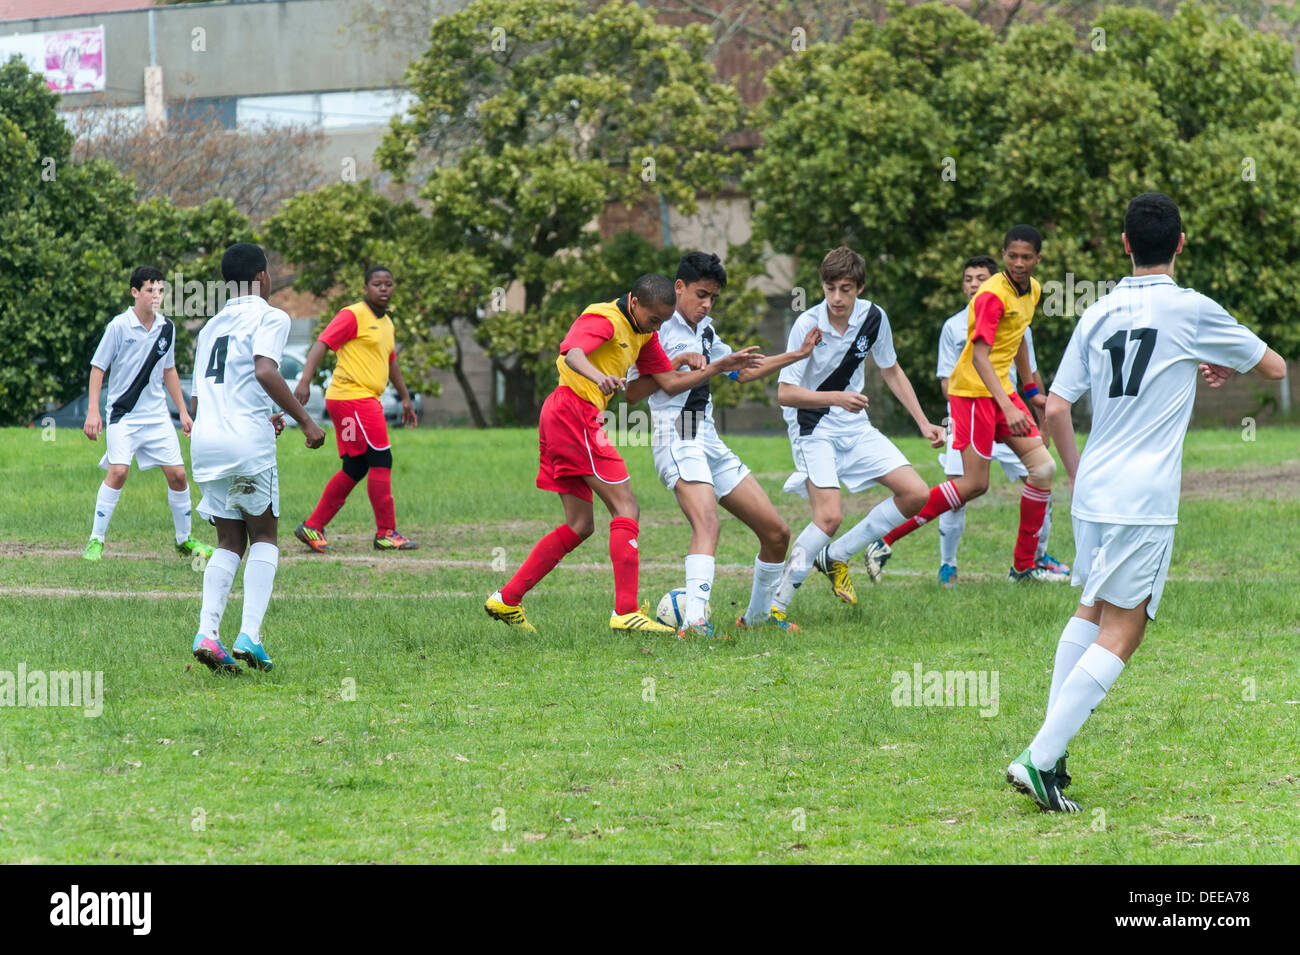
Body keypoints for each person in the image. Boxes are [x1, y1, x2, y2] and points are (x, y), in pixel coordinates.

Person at [1007, 192, 1285, 811]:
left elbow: (1054, 406)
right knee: (1125, 628)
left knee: (1090, 610)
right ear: (1180, 244)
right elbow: (1275, 367)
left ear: (1126, 245)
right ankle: (1039, 755)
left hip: (1096, 490)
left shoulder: (1098, 311)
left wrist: (1077, 474)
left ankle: (1051, 752)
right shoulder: (1191, 308)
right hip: (1144, 499)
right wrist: (1223, 361)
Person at [485, 274, 747, 635]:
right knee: (626, 507)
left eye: (662, 322)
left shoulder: (645, 332)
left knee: (580, 525)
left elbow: (666, 383)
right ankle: (624, 611)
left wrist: (686, 360)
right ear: (635, 303)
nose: (656, 328)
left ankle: (507, 598)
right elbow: (571, 351)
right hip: (573, 412)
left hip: (567, 415)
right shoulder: (604, 318)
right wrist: (598, 376)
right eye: (654, 319)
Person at [624, 251, 820, 639]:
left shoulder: (708, 332)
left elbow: (741, 372)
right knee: (707, 522)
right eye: (701, 294)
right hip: (677, 436)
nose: (706, 304)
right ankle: (695, 623)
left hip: (707, 439)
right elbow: (632, 393)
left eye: (713, 297)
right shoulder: (657, 330)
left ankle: (758, 617)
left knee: (776, 533)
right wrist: (680, 363)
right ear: (678, 287)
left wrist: (795, 355)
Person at [862, 226, 1061, 583]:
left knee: (1044, 469)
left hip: (1002, 392)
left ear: (1038, 259)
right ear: (1003, 256)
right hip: (971, 394)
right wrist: (1011, 407)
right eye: (1012, 256)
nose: (1019, 263)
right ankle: (884, 538)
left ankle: (1023, 568)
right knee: (973, 485)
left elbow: (1018, 342)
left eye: (1026, 257)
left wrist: (1031, 393)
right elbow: (981, 358)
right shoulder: (991, 296)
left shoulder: (1032, 290)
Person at [771, 247, 945, 616]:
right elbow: (785, 394)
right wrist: (837, 397)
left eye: (845, 289)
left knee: (915, 493)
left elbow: (891, 369)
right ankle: (776, 605)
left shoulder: (874, 318)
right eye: (829, 288)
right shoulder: (807, 324)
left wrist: (923, 421)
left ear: (860, 287)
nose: (836, 298)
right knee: (829, 516)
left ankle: (836, 556)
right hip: (812, 427)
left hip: (855, 427)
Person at [189, 243, 326, 673]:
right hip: (246, 444)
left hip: (207, 442)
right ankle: (250, 634)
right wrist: (305, 421)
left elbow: (199, 399)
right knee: (264, 536)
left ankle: (207, 634)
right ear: (263, 277)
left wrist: (259, 414)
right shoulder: (271, 315)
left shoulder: (209, 327)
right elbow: (266, 369)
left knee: (229, 541)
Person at [934, 255, 1069, 587]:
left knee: (1041, 476)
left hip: (1009, 415)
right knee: (961, 488)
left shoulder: (1016, 316)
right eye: (968, 278)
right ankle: (947, 564)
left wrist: (1040, 415)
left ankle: (1034, 559)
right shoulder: (953, 327)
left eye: (981, 277)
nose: (974, 284)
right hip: (969, 414)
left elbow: (1029, 374)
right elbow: (946, 382)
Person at [81, 265, 213, 562]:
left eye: (161, 290)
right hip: (123, 415)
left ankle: (184, 541)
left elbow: (169, 371)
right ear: (135, 292)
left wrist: (183, 411)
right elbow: (97, 368)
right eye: (150, 290)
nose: (156, 295)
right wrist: (93, 412)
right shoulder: (119, 326)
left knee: (179, 476)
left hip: (156, 417)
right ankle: (96, 539)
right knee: (118, 472)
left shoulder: (167, 328)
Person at [292, 266, 420, 553]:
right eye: (377, 284)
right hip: (353, 399)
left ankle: (313, 526)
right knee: (381, 459)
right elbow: (322, 343)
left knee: (357, 465)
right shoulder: (352, 315)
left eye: (389, 283)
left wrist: (405, 397)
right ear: (366, 288)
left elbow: (391, 361)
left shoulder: (387, 323)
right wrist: (304, 381)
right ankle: (386, 533)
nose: (384, 288)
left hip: (357, 400)